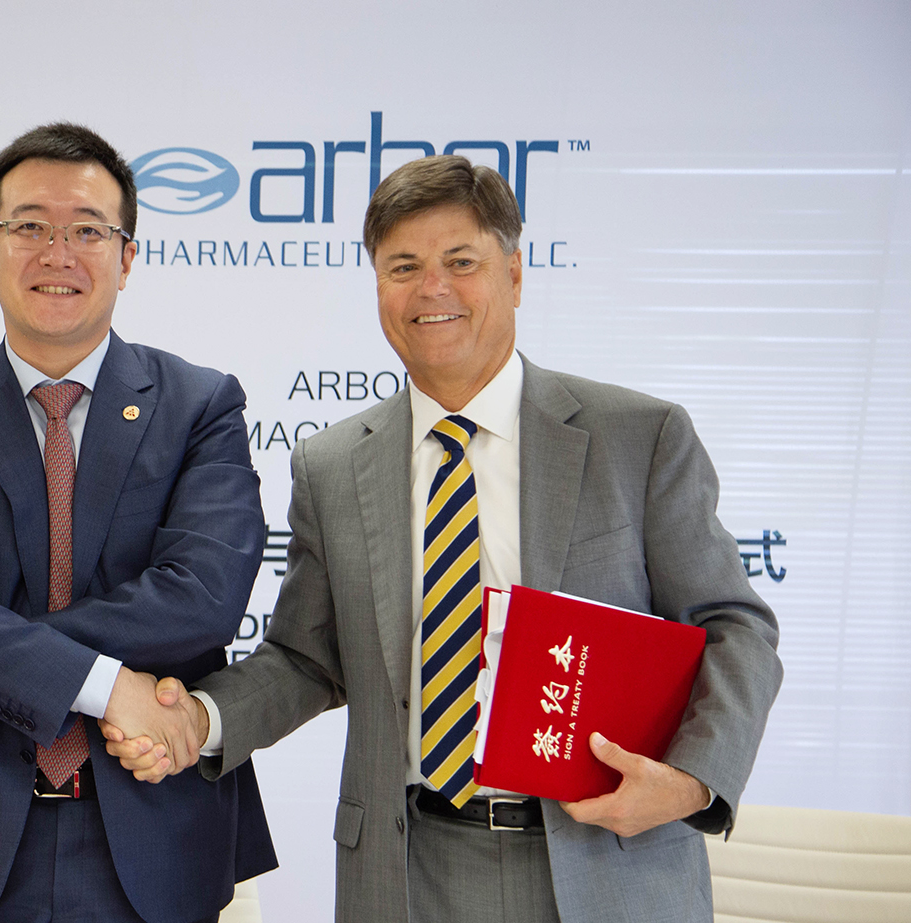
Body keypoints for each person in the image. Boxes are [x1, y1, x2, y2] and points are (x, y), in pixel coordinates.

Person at [105, 155, 782, 923]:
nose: (433, 288)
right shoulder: (332, 464)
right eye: (404, 267)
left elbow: (735, 626)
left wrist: (691, 780)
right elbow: (307, 658)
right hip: (407, 869)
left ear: (514, 275)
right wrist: (198, 718)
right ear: (378, 287)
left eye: (461, 262)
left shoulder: (638, 436)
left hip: (604, 861)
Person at [0, 123, 276, 923]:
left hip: (159, 824)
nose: (58, 254)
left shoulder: (200, 404)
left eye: (88, 230)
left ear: (127, 257)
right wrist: (105, 684)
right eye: (30, 227)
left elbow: (203, 594)